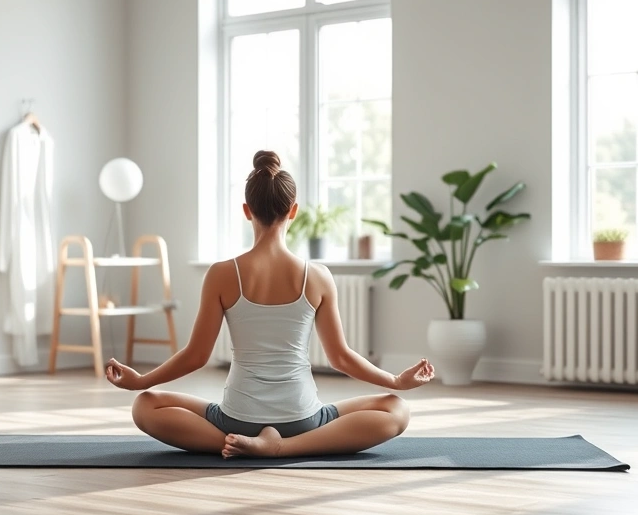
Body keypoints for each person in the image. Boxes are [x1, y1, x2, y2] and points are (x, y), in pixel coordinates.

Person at [104, 150, 435, 458]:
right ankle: (286, 447)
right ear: (293, 210)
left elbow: (196, 356)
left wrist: (142, 381)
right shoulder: (317, 276)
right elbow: (341, 358)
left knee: (145, 405)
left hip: (236, 418)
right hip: (303, 418)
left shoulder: (221, 274)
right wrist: (396, 382)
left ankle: (234, 443)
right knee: (396, 409)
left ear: (247, 210)